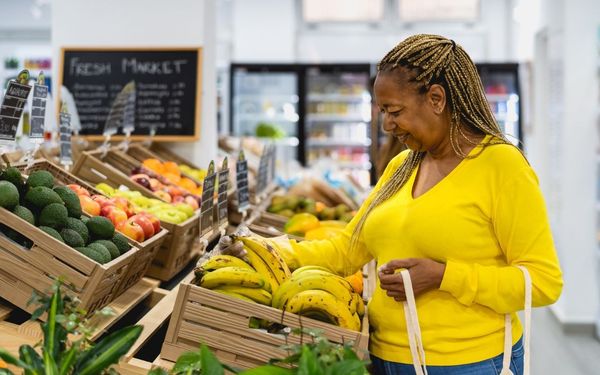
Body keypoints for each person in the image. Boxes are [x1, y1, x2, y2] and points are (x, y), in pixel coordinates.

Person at [219, 34, 563, 375]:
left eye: (394, 111)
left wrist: (445, 276)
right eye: (382, 111)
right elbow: (345, 249)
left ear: (437, 98)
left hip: (469, 363)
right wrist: (262, 248)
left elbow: (543, 281)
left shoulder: (501, 166)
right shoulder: (403, 166)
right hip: (383, 357)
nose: (386, 125)